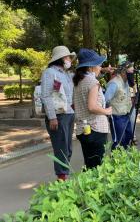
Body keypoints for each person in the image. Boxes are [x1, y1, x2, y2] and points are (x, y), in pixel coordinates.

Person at [73, 48, 112, 170]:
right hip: (96, 128)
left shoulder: (79, 81)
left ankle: (88, 188)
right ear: (90, 67)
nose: (100, 67)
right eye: (99, 65)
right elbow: (92, 106)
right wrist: (107, 111)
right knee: (97, 166)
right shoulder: (93, 82)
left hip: (82, 129)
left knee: (89, 164)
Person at [41, 46, 76, 181]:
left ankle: (64, 174)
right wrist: (52, 117)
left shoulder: (67, 74)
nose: (69, 60)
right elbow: (46, 96)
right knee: (61, 149)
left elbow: (82, 75)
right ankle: (62, 178)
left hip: (69, 114)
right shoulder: (49, 73)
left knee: (68, 148)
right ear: (61, 58)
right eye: (67, 57)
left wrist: (101, 70)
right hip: (58, 116)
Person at [105, 61, 134, 149]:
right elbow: (105, 99)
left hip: (126, 114)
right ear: (123, 72)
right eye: (131, 72)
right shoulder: (114, 83)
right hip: (117, 117)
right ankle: (116, 160)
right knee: (119, 140)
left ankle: (124, 159)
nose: (132, 74)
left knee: (128, 137)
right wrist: (108, 113)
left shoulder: (126, 82)